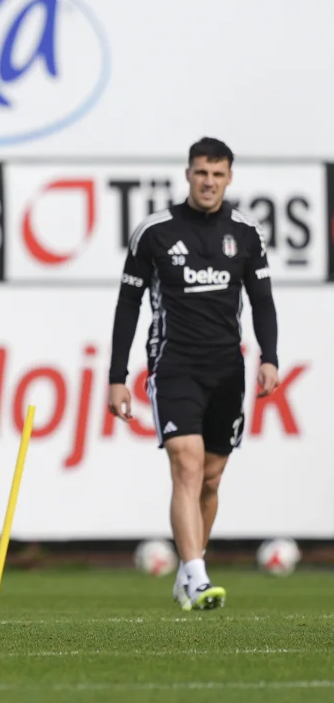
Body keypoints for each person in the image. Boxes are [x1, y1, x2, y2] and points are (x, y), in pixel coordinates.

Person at [108, 137, 279, 612]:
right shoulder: (155, 232)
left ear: (229, 178)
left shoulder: (245, 234)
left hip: (227, 369)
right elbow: (128, 303)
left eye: (218, 174)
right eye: (201, 173)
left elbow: (262, 300)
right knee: (185, 464)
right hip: (174, 365)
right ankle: (199, 577)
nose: (209, 182)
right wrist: (117, 374)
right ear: (188, 174)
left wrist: (270, 357)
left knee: (210, 478)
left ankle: (188, 568)